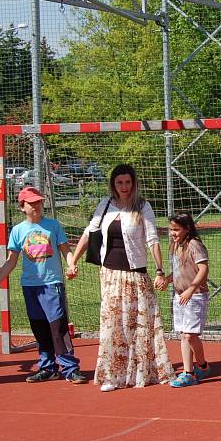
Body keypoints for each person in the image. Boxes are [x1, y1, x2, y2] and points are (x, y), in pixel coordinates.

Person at [69, 164, 173, 392]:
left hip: (135, 275)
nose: (124, 187)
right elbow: (89, 232)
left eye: (128, 182)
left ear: (133, 183)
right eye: (119, 183)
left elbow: (152, 239)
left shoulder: (143, 206)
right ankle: (111, 375)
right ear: (113, 184)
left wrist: (159, 269)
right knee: (112, 325)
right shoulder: (105, 205)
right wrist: (73, 260)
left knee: (138, 326)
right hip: (109, 274)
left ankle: (140, 373)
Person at [0, 186, 87, 384]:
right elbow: (11, 261)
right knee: (39, 327)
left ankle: (70, 368)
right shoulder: (18, 231)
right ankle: (48, 367)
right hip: (30, 286)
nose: (36, 206)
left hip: (52, 284)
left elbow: (65, 250)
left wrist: (72, 264)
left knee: (57, 327)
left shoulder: (53, 226)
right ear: (22, 207)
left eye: (39, 202)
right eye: (31, 203)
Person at [162, 211, 211, 388]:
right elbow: (177, 271)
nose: (172, 233)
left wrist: (191, 288)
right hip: (180, 295)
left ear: (187, 228)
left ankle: (197, 369)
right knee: (184, 335)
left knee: (190, 335)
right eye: (170, 230)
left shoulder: (194, 245)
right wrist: (166, 280)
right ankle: (193, 370)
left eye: (176, 229)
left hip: (195, 295)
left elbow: (203, 269)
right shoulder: (176, 246)